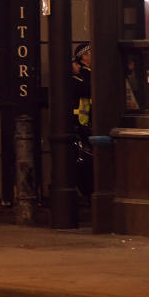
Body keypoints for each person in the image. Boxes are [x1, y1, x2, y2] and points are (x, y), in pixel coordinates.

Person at [70, 42, 93, 201]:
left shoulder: (86, 75)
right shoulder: (82, 77)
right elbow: (88, 89)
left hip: (87, 126)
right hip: (82, 127)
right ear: (83, 56)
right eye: (91, 52)